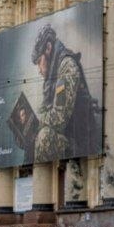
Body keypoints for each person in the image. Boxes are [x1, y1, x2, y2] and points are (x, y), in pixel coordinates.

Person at [30, 24, 94, 163]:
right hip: (68, 137)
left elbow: (59, 119)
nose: (39, 70)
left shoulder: (67, 66)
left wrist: (36, 121)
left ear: (48, 48)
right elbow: (44, 109)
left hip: (81, 144)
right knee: (33, 137)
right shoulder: (51, 76)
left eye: (39, 62)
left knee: (44, 138)